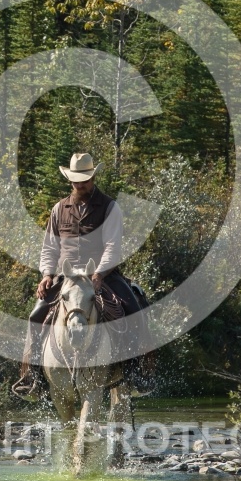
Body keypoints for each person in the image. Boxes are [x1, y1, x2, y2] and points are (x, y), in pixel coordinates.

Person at [13, 152, 153, 399]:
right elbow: (49, 248)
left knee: (133, 310)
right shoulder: (59, 209)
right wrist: (46, 275)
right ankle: (33, 378)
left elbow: (113, 247)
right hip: (65, 277)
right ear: (70, 180)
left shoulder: (110, 207)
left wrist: (99, 273)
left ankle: (135, 373)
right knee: (35, 316)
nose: (80, 185)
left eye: (84, 181)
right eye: (76, 181)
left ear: (93, 178)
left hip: (104, 275)